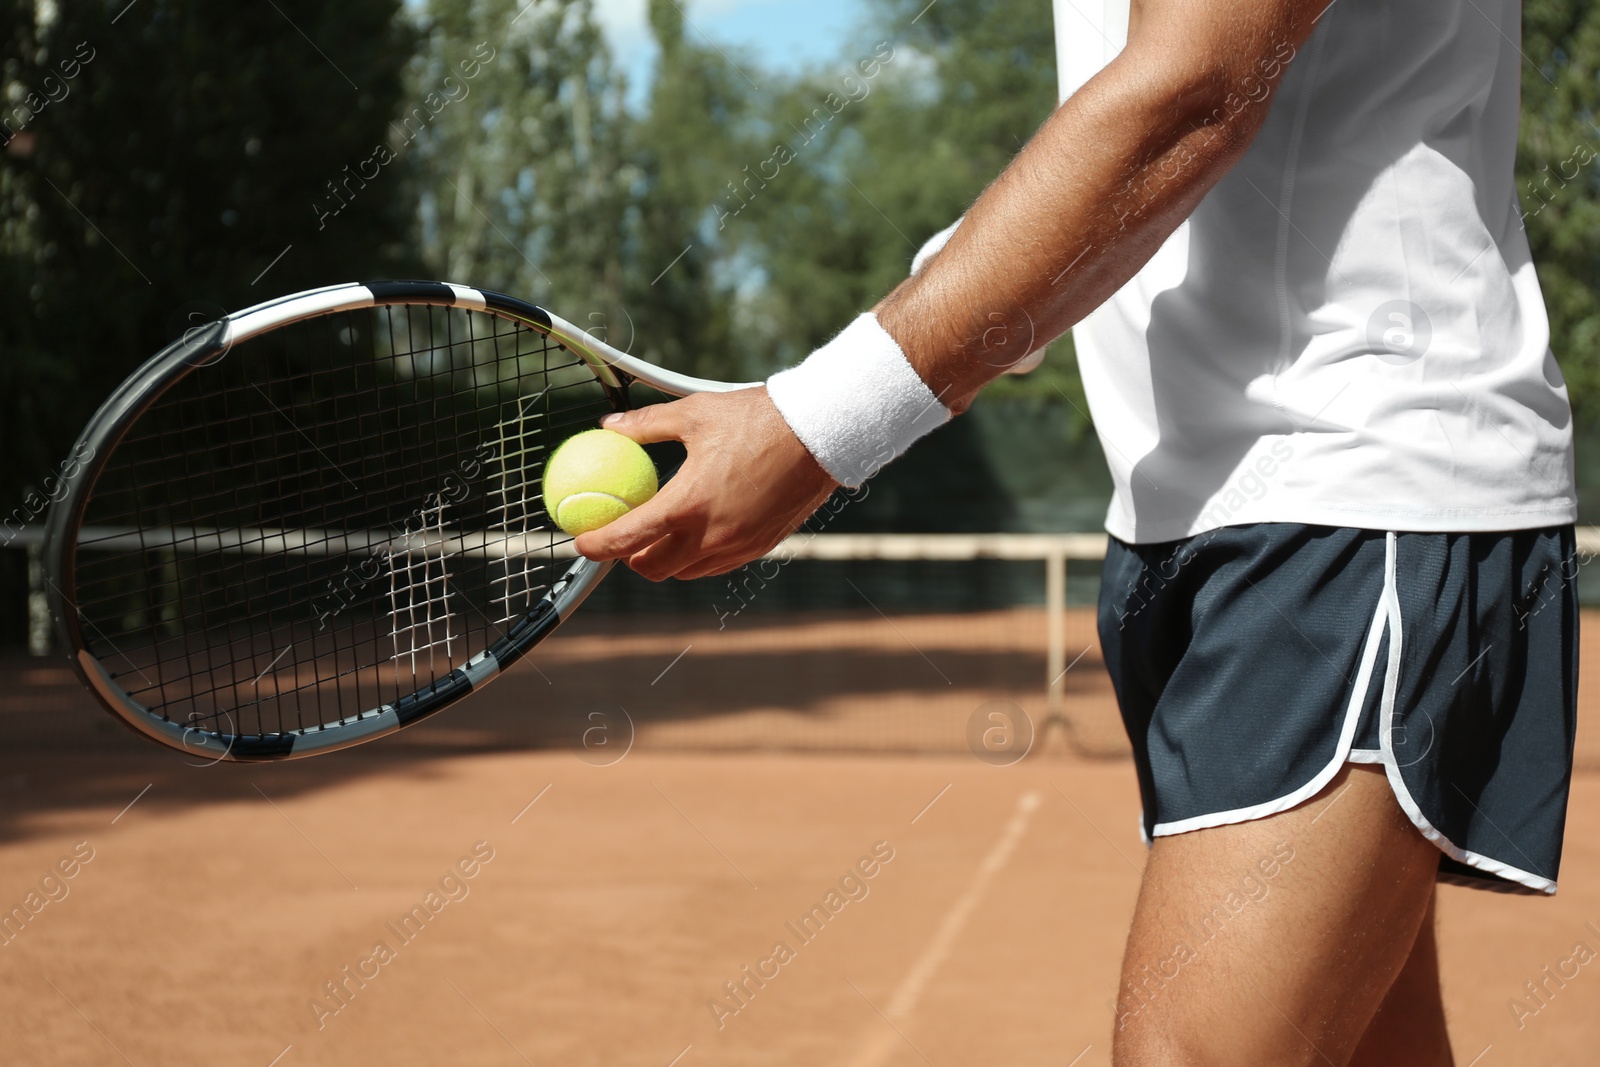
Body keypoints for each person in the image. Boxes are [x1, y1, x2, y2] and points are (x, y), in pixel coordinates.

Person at [579, 0, 1577, 1062]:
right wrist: (833, 389)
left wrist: (820, 426)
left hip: (1351, 489)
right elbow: (1139, 138)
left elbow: (1189, 98)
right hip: (1203, 516)